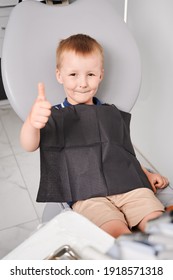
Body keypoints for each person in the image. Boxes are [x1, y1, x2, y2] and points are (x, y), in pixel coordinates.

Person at [20, 34, 169, 238]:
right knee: (118, 235)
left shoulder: (110, 112)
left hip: (129, 187)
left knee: (160, 227)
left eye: (90, 74)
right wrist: (32, 123)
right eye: (73, 74)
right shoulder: (51, 114)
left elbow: (123, 152)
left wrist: (146, 175)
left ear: (101, 75)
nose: (82, 83)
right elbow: (29, 144)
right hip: (86, 195)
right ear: (59, 75)